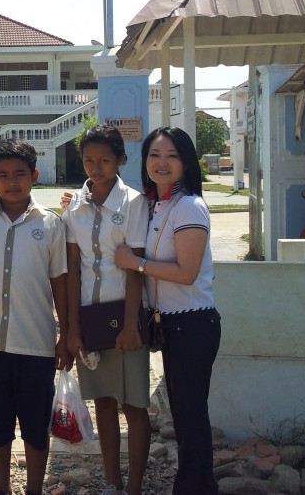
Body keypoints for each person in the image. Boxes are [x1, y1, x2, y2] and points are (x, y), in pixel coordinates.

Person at [0, 138, 72, 495]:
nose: (11, 182)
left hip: (36, 344)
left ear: (34, 175)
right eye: (2, 175)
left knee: (36, 425)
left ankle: (34, 489)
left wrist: (66, 334)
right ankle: (1, 488)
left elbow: (61, 285)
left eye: (19, 174)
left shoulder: (51, 225)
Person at [114, 126, 222, 495]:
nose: (162, 163)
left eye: (172, 155)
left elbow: (186, 273)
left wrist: (135, 264)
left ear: (186, 162)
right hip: (173, 326)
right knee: (184, 414)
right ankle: (195, 484)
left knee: (191, 416)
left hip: (192, 323)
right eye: (154, 155)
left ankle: (195, 487)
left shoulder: (189, 205)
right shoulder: (156, 204)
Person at [63, 123, 150, 495]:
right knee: (102, 401)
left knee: (133, 404)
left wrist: (131, 325)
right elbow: (71, 271)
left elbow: (134, 267)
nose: (95, 168)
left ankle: (134, 486)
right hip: (90, 316)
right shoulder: (75, 209)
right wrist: (71, 327)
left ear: (121, 160)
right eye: (88, 160)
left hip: (125, 315)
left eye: (103, 160)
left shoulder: (133, 203)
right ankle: (112, 482)